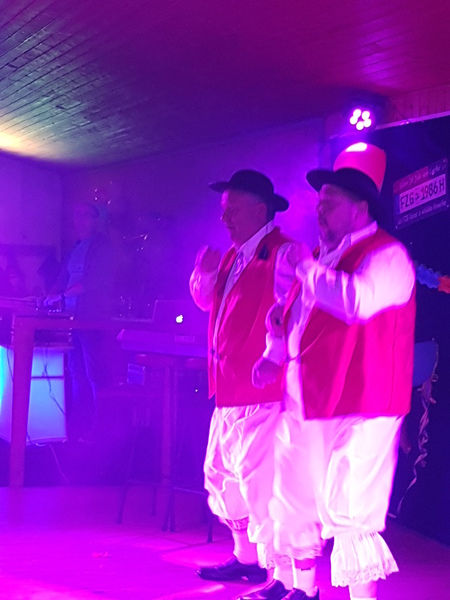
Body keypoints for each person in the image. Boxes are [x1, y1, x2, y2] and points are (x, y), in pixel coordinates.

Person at [250, 143, 416, 600]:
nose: (319, 211)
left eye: (330, 203)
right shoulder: (323, 257)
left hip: (366, 402)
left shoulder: (388, 255)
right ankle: (301, 590)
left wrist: (304, 267)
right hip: (312, 395)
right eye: (319, 203)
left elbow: (355, 301)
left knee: (350, 506)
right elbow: (295, 319)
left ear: (360, 208)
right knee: (295, 495)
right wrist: (273, 350)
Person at [190, 170, 295, 588]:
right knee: (221, 474)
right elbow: (205, 302)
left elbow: (292, 311)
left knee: (260, 484)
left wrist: (274, 357)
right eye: (223, 210)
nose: (225, 219)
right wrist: (204, 273)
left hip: (263, 390)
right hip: (229, 387)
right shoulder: (232, 257)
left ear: (259, 209)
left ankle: (280, 574)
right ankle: (246, 558)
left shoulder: (284, 253)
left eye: (232, 210)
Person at [44, 201, 114, 442]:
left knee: (94, 374)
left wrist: (62, 296)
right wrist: (49, 296)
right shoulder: (75, 248)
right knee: (76, 374)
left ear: (96, 220)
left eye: (85, 215)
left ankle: (99, 427)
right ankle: (77, 426)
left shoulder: (103, 247)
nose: (80, 219)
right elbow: (62, 278)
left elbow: (94, 280)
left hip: (92, 318)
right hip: (72, 319)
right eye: (77, 215)